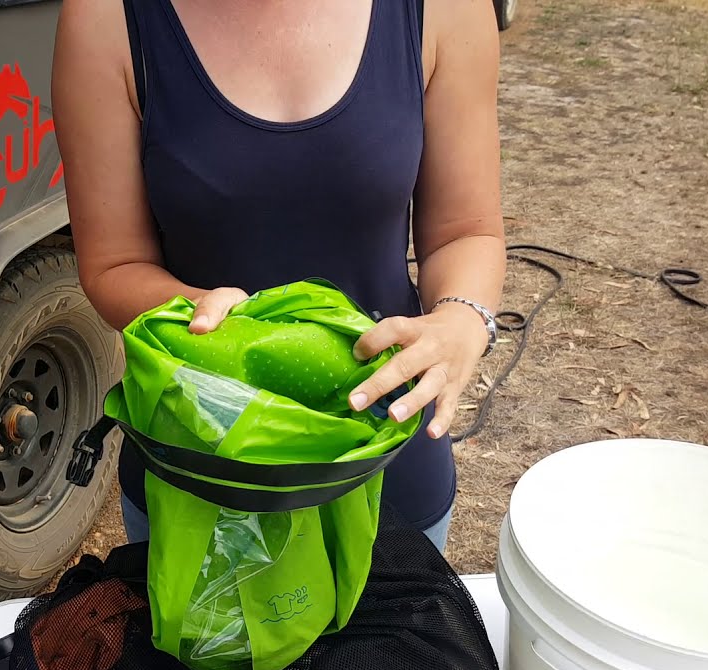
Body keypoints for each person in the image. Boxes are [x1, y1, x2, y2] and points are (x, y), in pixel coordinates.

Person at [52, 0, 506, 553]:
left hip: (387, 463)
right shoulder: (106, 19)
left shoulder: (444, 10)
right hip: (200, 473)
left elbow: (466, 231)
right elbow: (113, 264)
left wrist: (462, 318)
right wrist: (200, 307)